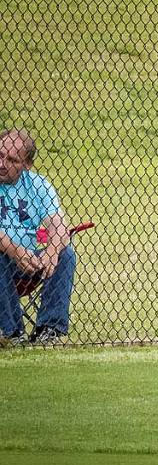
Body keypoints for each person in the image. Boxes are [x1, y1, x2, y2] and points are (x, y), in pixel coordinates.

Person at [0, 129, 77, 345]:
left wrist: (50, 254)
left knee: (66, 255)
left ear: (27, 165)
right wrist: (13, 250)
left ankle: (48, 330)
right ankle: (11, 332)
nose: (2, 163)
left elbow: (59, 225)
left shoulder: (37, 185)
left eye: (12, 159)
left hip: (28, 263)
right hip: (5, 257)